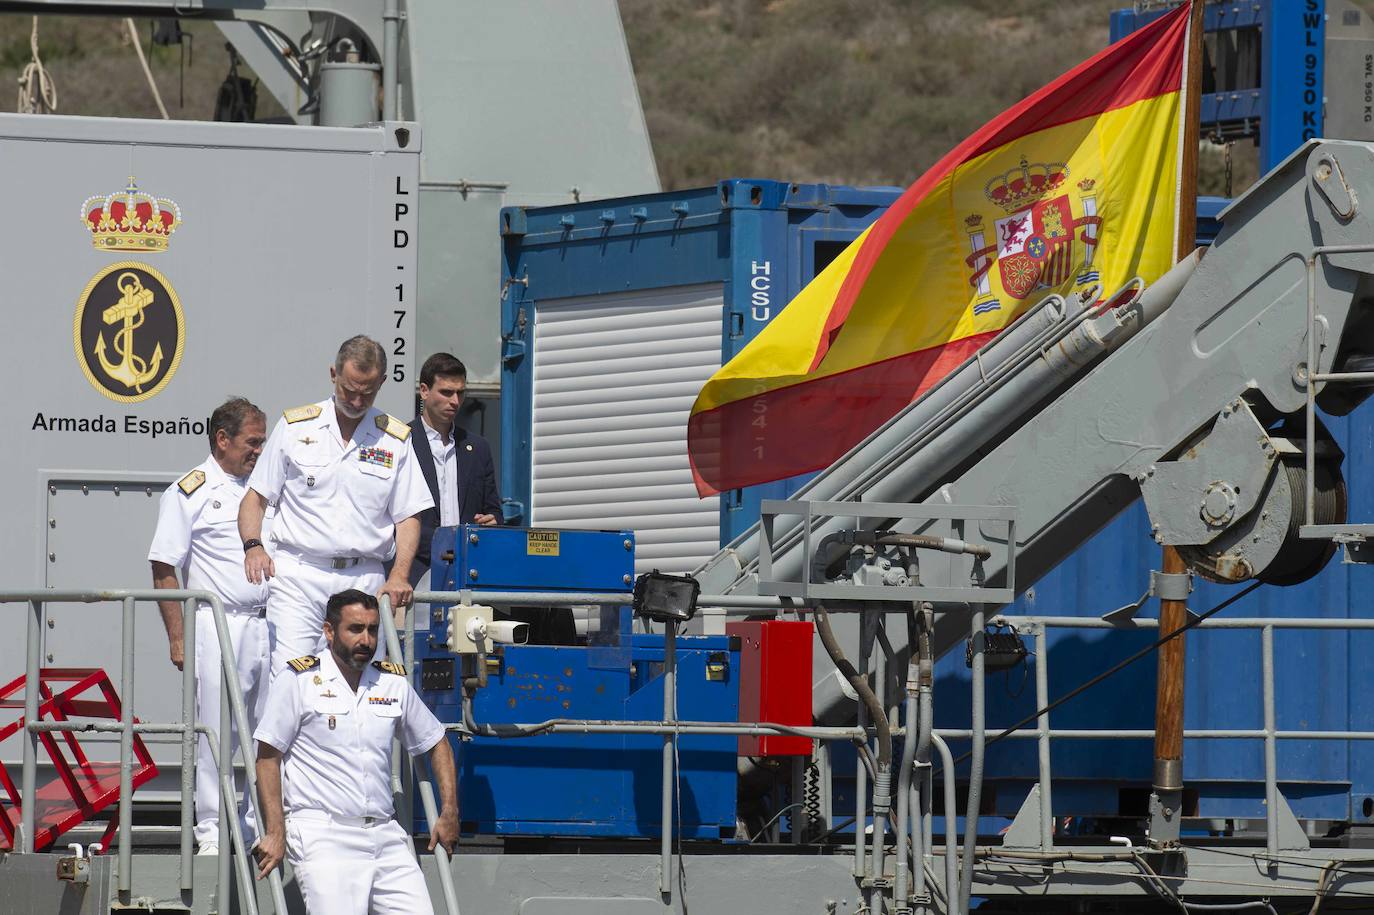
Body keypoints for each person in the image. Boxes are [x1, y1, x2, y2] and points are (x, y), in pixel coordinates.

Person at [238, 335, 433, 680]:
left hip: (364, 576)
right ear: (333, 374)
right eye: (349, 390)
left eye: (367, 393)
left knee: (364, 681)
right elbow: (255, 498)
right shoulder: (295, 427)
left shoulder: (395, 439)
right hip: (300, 574)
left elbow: (409, 516)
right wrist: (253, 546)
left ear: (382, 383)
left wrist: (400, 575)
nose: (357, 400)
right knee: (291, 678)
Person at [252, 590, 459, 914]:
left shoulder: (392, 683)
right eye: (355, 629)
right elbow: (267, 757)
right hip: (324, 834)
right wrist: (276, 832)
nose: (366, 640)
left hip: (385, 833)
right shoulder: (299, 680)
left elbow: (437, 742)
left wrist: (450, 811)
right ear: (329, 631)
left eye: (373, 630)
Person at [148, 396, 270, 855]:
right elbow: (164, 566)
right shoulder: (190, 490)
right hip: (219, 624)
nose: (259, 450)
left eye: (262, 441)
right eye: (251, 442)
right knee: (217, 733)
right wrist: (178, 637)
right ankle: (214, 832)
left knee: (270, 731)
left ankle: (260, 827)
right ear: (222, 439)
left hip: (269, 625)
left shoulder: (265, 489)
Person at [408, 352, 502, 585]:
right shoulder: (402, 443)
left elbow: (494, 510)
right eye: (446, 392)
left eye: (460, 393)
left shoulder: (478, 448)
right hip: (416, 572)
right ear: (424, 391)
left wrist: (491, 522)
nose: (455, 401)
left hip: (468, 573)